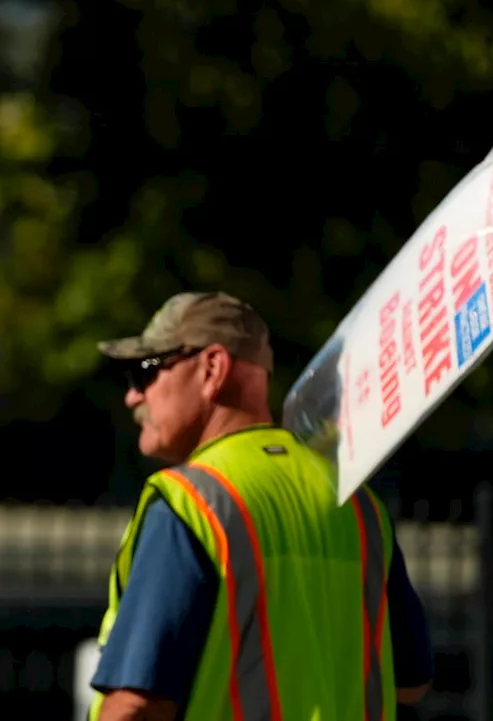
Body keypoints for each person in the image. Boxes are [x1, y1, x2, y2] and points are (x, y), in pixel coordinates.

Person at [87, 292, 434, 721]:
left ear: (211, 368)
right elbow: (411, 683)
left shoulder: (191, 503)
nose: (133, 397)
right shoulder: (359, 505)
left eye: (145, 373)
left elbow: (135, 704)